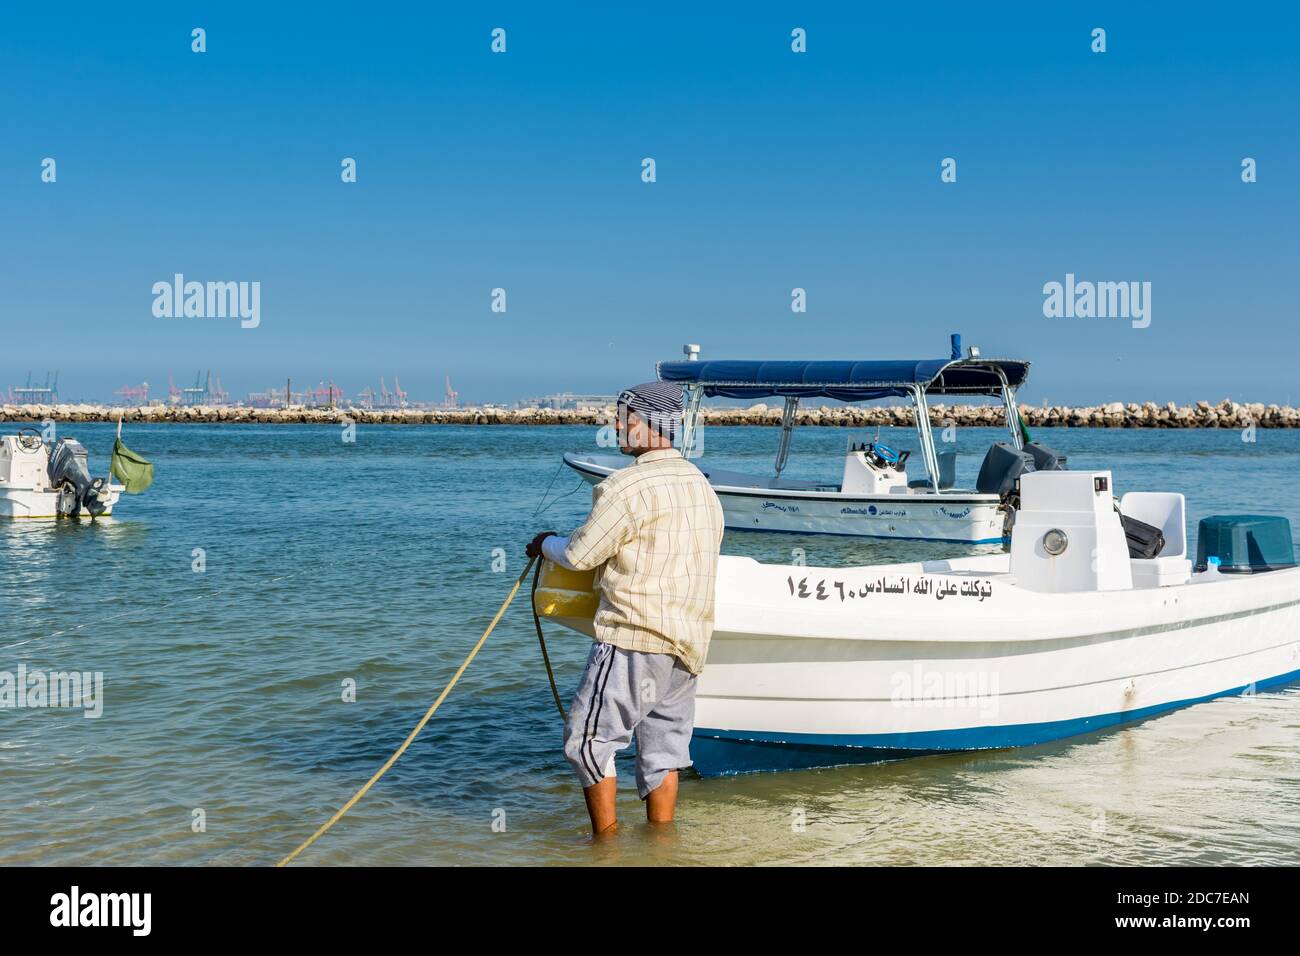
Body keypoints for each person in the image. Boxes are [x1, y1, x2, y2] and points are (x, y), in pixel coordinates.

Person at [527, 381, 724, 835]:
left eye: (624, 417)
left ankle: (607, 849)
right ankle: (660, 848)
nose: (615, 426)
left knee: (587, 743)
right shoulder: (702, 486)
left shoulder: (625, 486)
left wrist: (544, 544)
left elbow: (580, 554)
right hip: (687, 645)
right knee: (663, 755)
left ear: (650, 424)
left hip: (633, 637)